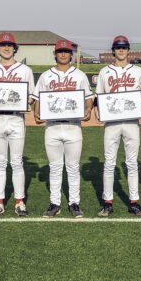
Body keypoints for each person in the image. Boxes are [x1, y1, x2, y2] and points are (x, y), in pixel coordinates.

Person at [31, 39, 93, 218]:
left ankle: (74, 203)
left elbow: (88, 97)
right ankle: (55, 203)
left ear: (71, 54)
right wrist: (37, 113)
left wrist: (88, 109)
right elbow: (39, 99)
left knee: (73, 167)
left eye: (66, 51)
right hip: (52, 127)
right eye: (60, 51)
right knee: (55, 167)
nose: (63, 54)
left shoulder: (79, 75)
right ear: (55, 54)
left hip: (73, 126)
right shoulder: (46, 75)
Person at [94, 35, 141, 217]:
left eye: (124, 47)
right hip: (111, 123)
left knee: (132, 162)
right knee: (109, 163)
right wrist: (99, 112)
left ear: (128, 50)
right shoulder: (105, 71)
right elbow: (99, 96)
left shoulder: (137, 71)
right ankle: (107, 202)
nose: (121, 50)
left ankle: (134, 202)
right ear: (113, 50)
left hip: (131, 122)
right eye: (118, 47)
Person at [0, 33, 35, 218]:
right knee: (0, 162)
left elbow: (30, 96)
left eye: (9, 45)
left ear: (15, 48)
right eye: (3, 45)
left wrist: (24, 101)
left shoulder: (24, 70)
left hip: (16, 118)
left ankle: (19, 201)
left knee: (17, 162)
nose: (6, 48)